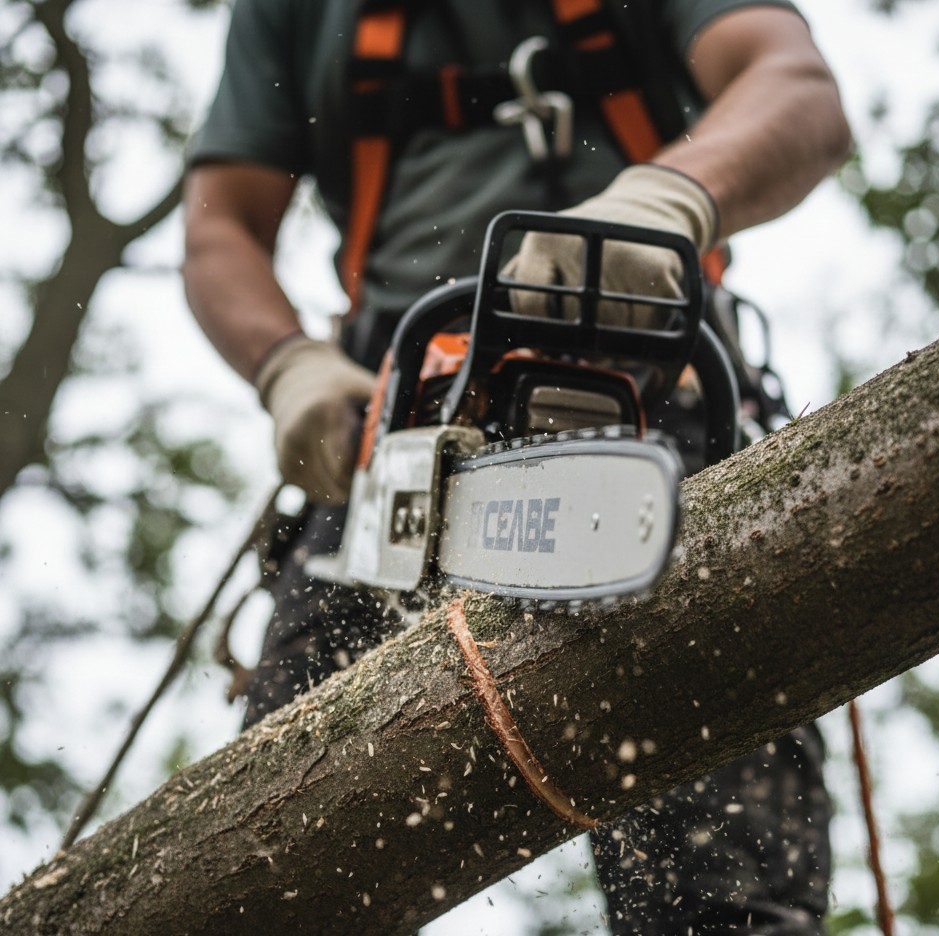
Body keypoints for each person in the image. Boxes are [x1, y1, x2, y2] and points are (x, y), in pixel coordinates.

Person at [183, 2, 852, 932]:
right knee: (270, 875)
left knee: (721, 897)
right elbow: (221, 225)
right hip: (393, 441)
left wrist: (665, 199)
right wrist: (287, 365)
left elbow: (796, 86)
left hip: (648, 402)